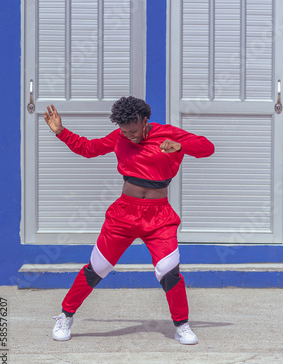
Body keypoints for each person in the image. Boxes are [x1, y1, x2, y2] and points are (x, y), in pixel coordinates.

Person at [44, 96, 214, 345]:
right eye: (124, 131)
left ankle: (181, 325)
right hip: (124, 214)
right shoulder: (119, 138)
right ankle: (65, 315)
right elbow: (88, 149)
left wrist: (179, 147)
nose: (130, 136)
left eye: (134, 130)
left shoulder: (169, 135)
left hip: (159, 215)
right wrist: (61, 132)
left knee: (170, 272)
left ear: (145, 120)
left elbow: (207, 148)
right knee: (96, 269)